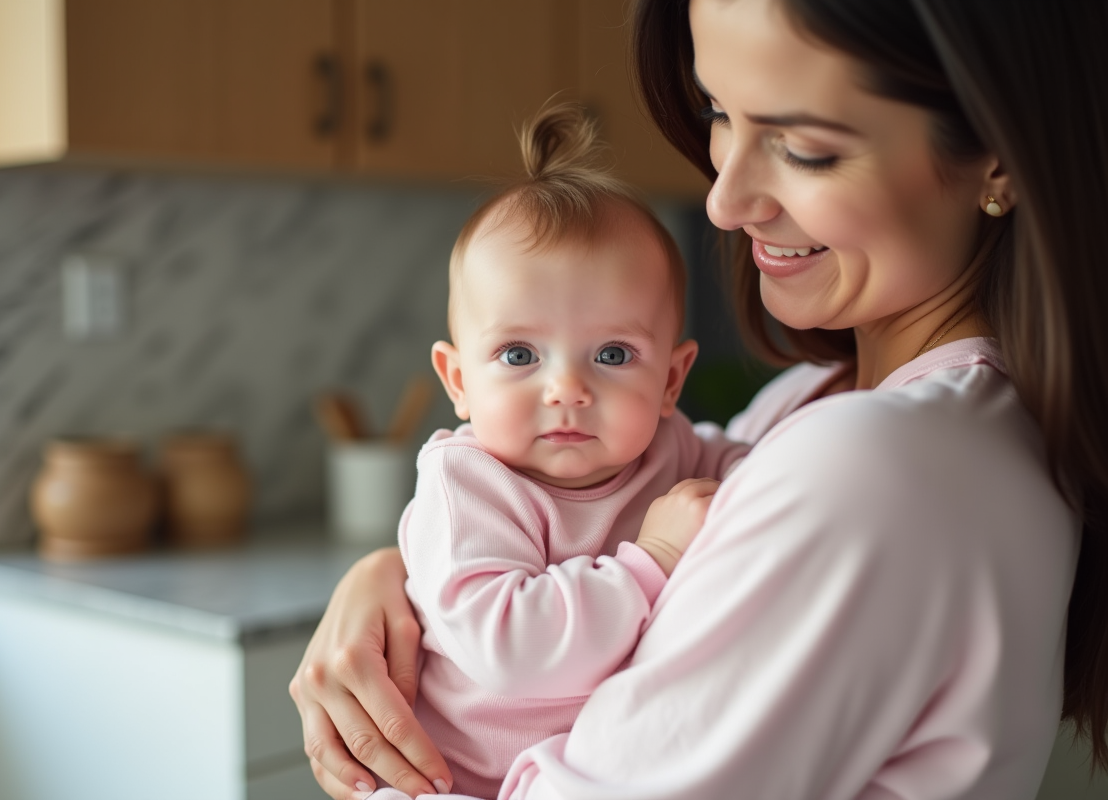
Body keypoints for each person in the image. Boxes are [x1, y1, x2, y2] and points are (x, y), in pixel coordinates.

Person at [289, 0, 1108, 798]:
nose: (722, 200)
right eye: (719, 110)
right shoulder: (823, 410)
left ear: (996, 154)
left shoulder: (872, 468)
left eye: (805, 148)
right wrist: (402, 574)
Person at [393, 102, 749, 798]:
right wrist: (654, 562)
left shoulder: (673, 450)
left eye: (613, 353)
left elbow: (765, 477)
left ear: (671, 379)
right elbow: (513, 649)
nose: (567, 388)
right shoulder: (465, 486)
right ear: (459, 382)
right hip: (455, 782)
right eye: (519, 353)